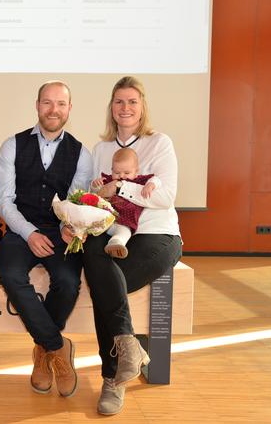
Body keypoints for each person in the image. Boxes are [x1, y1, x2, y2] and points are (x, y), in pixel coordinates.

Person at [81, 76, 182, 415]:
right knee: (97, 263)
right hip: (114, 233)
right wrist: (99, 196)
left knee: (104, 283)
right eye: (119, 102)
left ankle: (112, 379)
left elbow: (166, 197)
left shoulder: (160, 143)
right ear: (111, 108)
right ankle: (129, 348)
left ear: (142, 107)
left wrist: (121, 189)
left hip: (157, 235)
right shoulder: (101, 149)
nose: (125, 108)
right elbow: (93, 200)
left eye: (132, 102)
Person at [0, 81, 92, 398]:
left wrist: (70, 227)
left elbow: (77, 204)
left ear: (69, 108)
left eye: (60, 104)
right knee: (10, 275)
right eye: (47, 103)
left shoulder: (82, 154)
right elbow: (4, 201)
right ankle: (57, 346)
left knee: (67, 282)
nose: (54, 110)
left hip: (60, 231)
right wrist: (29, 232)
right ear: (37, 105)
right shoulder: (12, 145)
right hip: (21, 227)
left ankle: (41, 353)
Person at [91, 147, 161, 259]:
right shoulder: (108, 180)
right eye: (117, 172)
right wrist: (95, 185)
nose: (121, 176)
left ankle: (115, 243)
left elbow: (156, 179)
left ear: (136, 171)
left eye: (127, 172)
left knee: (124, 232)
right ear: (112, 169)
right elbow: (96, 194)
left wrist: (150, 185)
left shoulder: (139, 181)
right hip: (105, 217)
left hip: (124, 220)